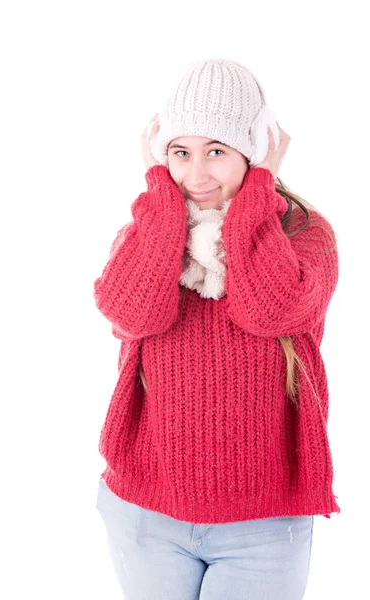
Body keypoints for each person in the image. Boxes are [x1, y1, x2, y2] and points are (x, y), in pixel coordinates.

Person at [93, 58, 340, 600]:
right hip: (145, 513)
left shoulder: (304, 235)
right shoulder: (148, 234)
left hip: (263, 523)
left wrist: (256, 196)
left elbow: (268, 311)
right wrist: (161, 204)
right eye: (180, 153)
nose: (197, 175)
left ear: (253, 150)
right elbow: (133, 313)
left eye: (218, 152)